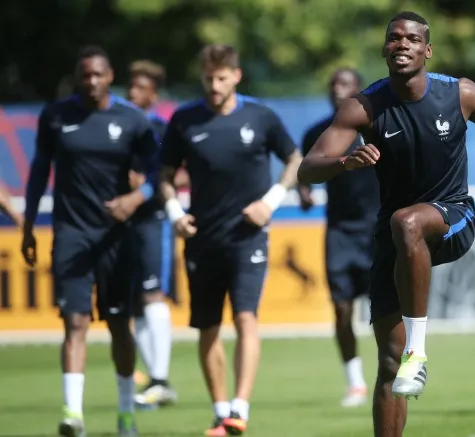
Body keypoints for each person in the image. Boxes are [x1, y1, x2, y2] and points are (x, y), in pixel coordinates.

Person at [298, 11, 475, 436]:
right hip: (394, 237)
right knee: (388, 362)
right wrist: (345, 162)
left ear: (427, 49)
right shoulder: (363, 106)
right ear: (384, 48)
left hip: (454, 217)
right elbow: (307, 170)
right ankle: (406, 360)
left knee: (408, 222)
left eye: (411, 39)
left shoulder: (460, 93)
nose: (401, 44)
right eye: (393, 38)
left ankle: (418, 353)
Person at [157, 44, 302, 437]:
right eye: (208, 79)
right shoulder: (185, 121)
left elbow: (295, 160)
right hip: (202, 239)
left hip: (248, 237)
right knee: (206, 327)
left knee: (245, 318)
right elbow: (165, 176)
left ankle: (240, 407)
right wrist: (175, 216)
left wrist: (270, 203)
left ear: (236, 76)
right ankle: (220, 412)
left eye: (222, 78)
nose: (214, 85)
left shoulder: (261, 116)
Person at [23, 45, 160, 437]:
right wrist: (30, 223)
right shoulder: (55, 116)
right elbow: (38, 170)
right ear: (78, 77)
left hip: (117, 239)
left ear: (110, 75)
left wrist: (135, 198)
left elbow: (159, 172)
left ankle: (125, 414)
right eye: (86, 75)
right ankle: (73, 414)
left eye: (99, 74)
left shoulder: (132, 120)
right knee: (75, 322)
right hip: (71, 233)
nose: (92, 81)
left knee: (119, 325)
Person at [298, 68, 378, 408]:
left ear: (358, 90)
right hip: (340, 232)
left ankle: (394, 371)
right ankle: (355, 382)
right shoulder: (317, 133)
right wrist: (303, 192)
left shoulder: (377, 126)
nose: (337, 90)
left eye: (344, 85)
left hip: (377, 229)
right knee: (342, 309)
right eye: (332, 85)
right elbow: (306, 171)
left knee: (386, 309)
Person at [125, 59, 178, 408]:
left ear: (153, 94)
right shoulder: (114, 123)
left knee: (152, 296)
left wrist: (142, 189)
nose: (133, 92)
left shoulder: (160, 130)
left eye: (141, 87)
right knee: (134, 305)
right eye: (130, 85)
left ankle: (160, 379)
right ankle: (154, 381)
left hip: (152, 221)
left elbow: (176, 175)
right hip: (120, 224)